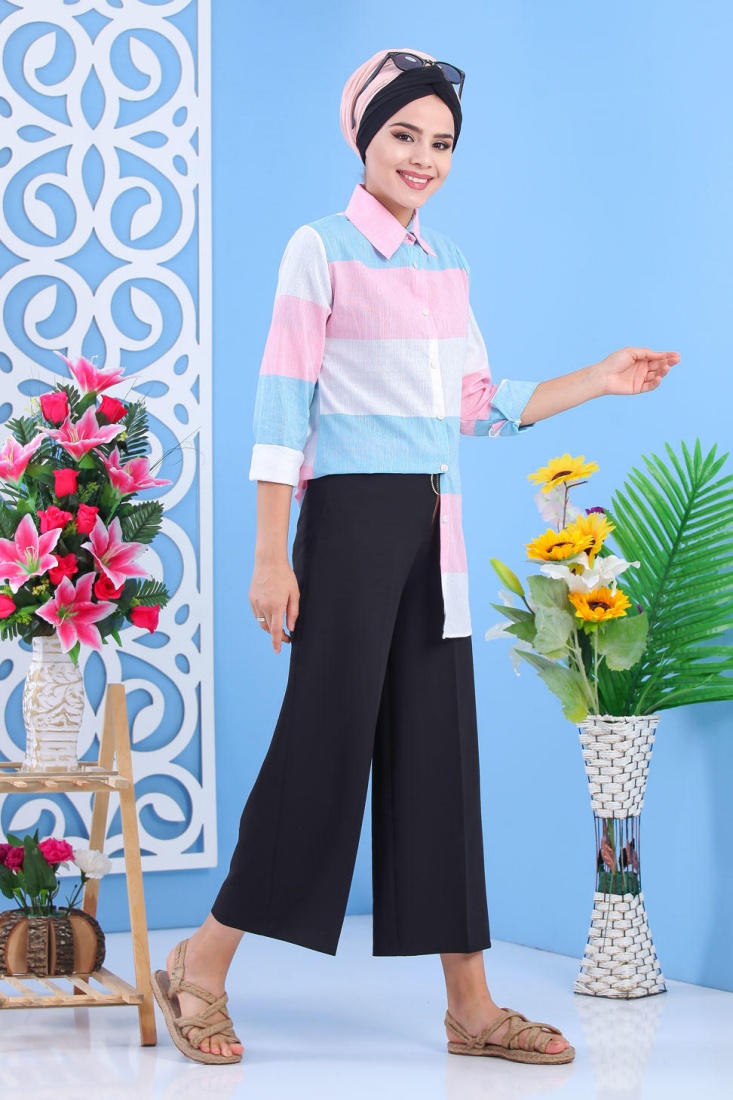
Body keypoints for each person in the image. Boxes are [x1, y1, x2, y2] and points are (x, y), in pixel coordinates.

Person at [151, 48, 679, 1066]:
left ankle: (469, 1006)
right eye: (404, 134)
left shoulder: (446, 264)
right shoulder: (319, 248)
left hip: (434, 528)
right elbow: (281, 405)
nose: (423, 157)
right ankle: (201, 964)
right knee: (322, 745)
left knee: (439, 754)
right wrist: (271, 557)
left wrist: (600, 378)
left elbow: (474, 403)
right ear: (364, 137)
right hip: (347, 523)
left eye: (440, 142)